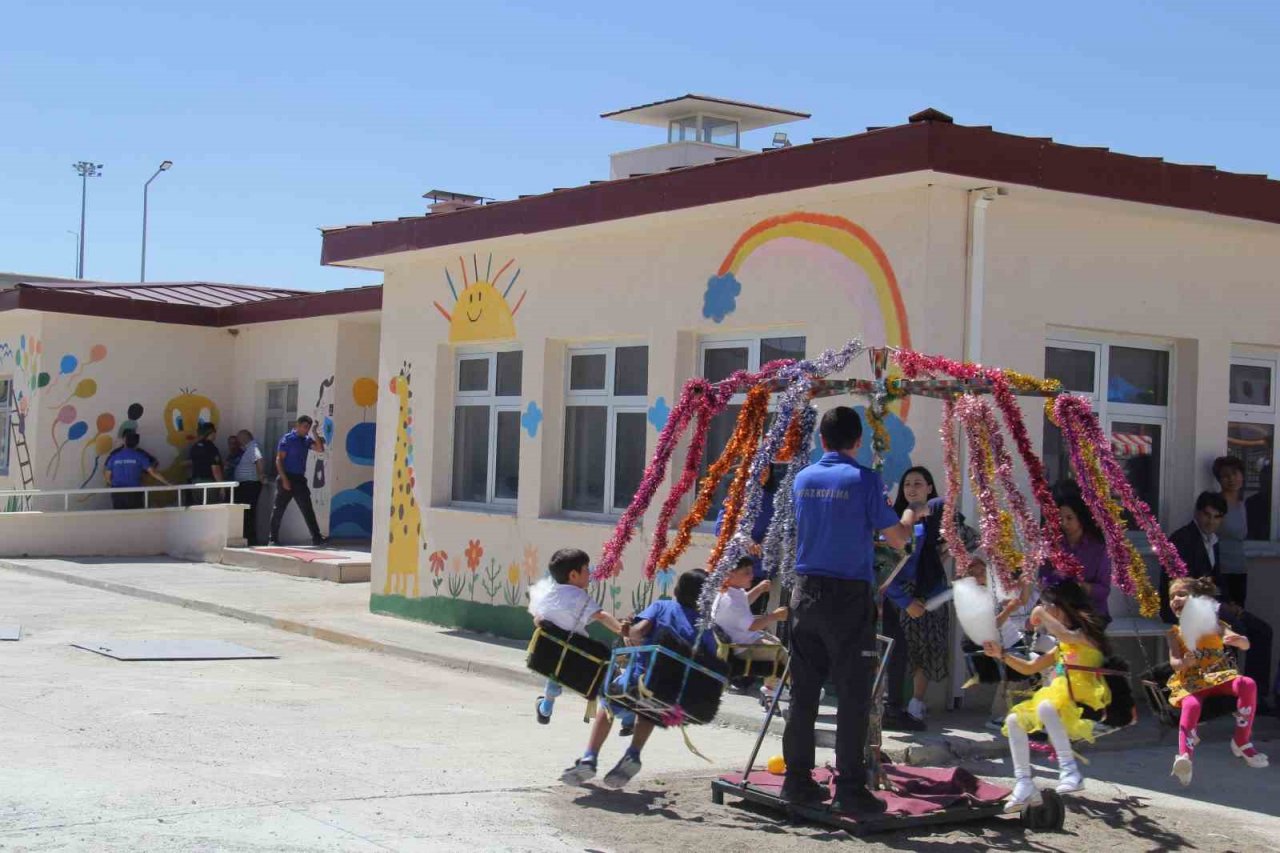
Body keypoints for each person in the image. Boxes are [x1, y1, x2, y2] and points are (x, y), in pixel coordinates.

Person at [781, 406, 925, 817]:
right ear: (858, 442)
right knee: (853, 694)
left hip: (805, 593)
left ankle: (797, 781)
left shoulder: (804, 479)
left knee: (804, 693)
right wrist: (913, 515)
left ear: (822, 441)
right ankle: (849, 787)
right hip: (847, 598)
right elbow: (896, 539)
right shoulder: (865, 481)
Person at [561, 569, 718, 789]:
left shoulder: (662, 606)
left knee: (607, 704)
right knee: (650, 708)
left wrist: (628, 630)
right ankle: (633, 753)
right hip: (673, 692)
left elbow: (638, 632)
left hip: (639, 679)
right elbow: (709, 658)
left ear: (676, 591)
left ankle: (590, 757)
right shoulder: (706, 627)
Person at [983, 581, 1111, 812]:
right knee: (1013, 721)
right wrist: (1002, 654)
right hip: (1057, 696)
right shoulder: (1062, 646)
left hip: (1083, 696)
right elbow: (1031, 668)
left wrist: (1039, 612)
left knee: (1045, 706)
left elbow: (1066, 634)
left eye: (1046, 604)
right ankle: (1024, 783)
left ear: (1060, 607)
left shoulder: (1085, 635)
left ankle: (1070, 770)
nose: (1042, 608)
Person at [1164, 492, 1274, 710]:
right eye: (1207, 515)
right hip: (1190, 608)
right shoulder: (1183, 539)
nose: (1210, 521)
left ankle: (1255, 697)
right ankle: (1228, 697)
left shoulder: (1213, 541)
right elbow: (1180, 585)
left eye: (1216, 517)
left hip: (1213, 605)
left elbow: (1216, 580)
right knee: (1236, 630)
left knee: (1263, 631)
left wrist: (1229, 603)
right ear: (1197, 513)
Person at [1164, 576, 1268, 786]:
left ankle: (1241, 740)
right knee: (1191, 704)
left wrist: (1240, 641)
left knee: (1247, 683)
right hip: (1192, 680)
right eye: (1172, 596)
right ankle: (1185, 757)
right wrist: (1183, 662)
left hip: (1219, 675)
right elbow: (1174, 663)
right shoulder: (1175, 634)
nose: (1176, 599)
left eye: (1181, 594)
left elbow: (1245, 644)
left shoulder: (1214, 624)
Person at [884, 466, 952, 730]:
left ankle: (908, 705)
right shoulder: (896, 521)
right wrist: (905, 601)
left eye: (918, 483)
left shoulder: (936, 519)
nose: (911, 488)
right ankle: (891, 707)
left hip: (925, 594)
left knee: (921, 652)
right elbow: (886, 565)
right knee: (898, 650)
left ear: (929, 488)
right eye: (907, 484)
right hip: (897, 596)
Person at [530, 548, 624, 724]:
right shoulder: (579, 597)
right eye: (586, 569)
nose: (590, 573)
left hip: (549, 650)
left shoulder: (549, 593)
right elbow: (601, 616)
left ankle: (545, 708)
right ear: (573, 575)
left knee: (555, 674)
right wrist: (623, 631)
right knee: (607, 670)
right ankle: (624, 718)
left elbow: (537, 618)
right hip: (577, 652)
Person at [712, 556, 790, 704]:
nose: (752, 575)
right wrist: (775, 616)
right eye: (746, 572)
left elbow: (745, 602)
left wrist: (759, 589)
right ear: (730, 574)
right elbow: (752, 625)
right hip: (741, 647)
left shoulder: (731, 591)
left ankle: (772, 687)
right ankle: (795, 687)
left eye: (751, 571)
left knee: (776, 641)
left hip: (743, 637)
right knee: (780, 652)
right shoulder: (730, 601)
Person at [1040, 482, 1112, 623]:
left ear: (1081, 519)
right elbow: (1042, 579)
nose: (1064, 523)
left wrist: (1080, 586)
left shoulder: (1098, 548)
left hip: (1092, 613)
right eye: (1060, 519)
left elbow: (1103, 591)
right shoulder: (1053, 544)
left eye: (1069, 518)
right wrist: (1054, 578)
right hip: (1060, 611)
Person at [714, 464, 779, 615]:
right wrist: (744, 539)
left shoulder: (774, 500)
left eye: (766, 470)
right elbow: (720, 528)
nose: (762, 474)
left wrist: (767, 542)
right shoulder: (736, 497)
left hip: (759, 570)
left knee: (752, 616)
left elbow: (779, 528)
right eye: (758, 469)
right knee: (729, 615)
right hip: (735, 570)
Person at [269, 416, 327, 546]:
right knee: (279, 509)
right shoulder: (288, 439)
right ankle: (273, 538)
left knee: (307, 509)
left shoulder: (306, 440)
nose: (306, 430)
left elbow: (320, 449)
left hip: (299, 479)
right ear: (298, 425)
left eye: (308, 427)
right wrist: (284, 479)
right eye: (305, 427)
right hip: (287, 476)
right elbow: (279, 460)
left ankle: (316, 537)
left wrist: (314, 432)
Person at [1213, 456, 1250, 608]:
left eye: (1235, 474)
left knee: (1239, 615)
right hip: (1221, 571)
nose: (1231, 479)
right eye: (1225, 476)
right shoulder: (1215, 503)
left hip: (1240, 569)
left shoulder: (1242, 504)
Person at [104, 430, 170, 508]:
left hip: (118, 492)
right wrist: (167, 483)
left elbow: (107, 474)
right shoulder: (140, 455)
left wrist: (111, 485)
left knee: (120, 516)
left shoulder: (114, 456)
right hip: (134, 492)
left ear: (124, 441)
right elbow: (153, 472)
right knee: (136, 516)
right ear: (137, 443)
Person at [233, 430, 267, 546]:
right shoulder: (248, 448)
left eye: (239, 438)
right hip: (246, 484)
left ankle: (250, 539)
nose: (238, 441)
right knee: (245, 512)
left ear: (244, 438)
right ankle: (248, 537)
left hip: (250, 485)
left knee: (248, 512)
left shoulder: (253, 447)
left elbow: (259, 460)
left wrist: (261, 475)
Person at [186, 422, 224, 505]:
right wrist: (222, 487)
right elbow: (215, 469)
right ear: (212, 433)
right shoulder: (211, 448)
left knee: (199, 511)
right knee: (211, 510)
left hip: (195, 483)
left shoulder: (195, 447)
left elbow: (191, 463)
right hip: (208, 483)